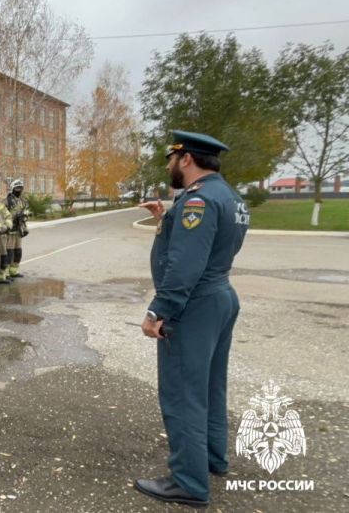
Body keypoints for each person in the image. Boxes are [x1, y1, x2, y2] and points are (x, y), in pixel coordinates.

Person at [134, 130, 249, 508]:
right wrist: (167, 219)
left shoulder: (198, 201)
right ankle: (213, 460)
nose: (169, 165)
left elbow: (186, 264)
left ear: (186, 159)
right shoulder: (228, 196)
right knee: (210, 386)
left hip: (195, 304)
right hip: (219, 297)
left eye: (171, 158)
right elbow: (205, 246)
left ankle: (188, 481)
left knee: (183, 392)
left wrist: (159, 310)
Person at [5, 179, 31, 279]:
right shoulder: (7, 201)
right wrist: (15, 216)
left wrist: (25, 215)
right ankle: (6, 273)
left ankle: (14, 271)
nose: (19, 190)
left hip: (19, 230)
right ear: (12, 189)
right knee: (9, 253)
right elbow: (3, 215)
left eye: (20, 188)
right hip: (10, 231)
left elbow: (26, 211)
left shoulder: (22, 200)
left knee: (18, 252)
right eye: (17, 188)